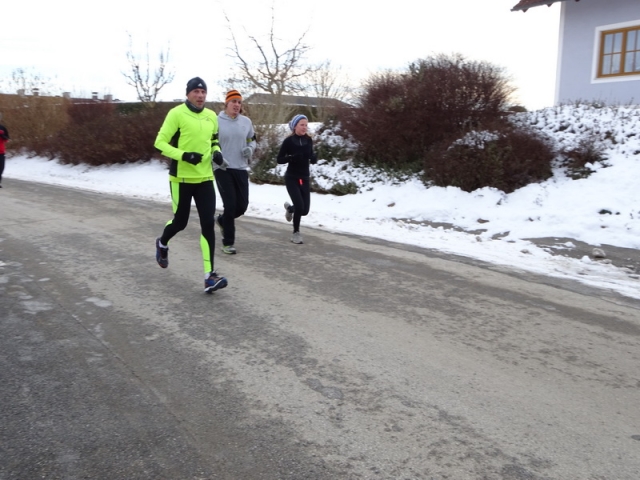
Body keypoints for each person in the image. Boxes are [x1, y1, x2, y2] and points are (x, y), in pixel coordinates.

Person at [153, 77, 230, 293]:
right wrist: (184, 155)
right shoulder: (176, 114)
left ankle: (209, 276)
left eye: (203, 92)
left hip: (205, 178)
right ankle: (162, 243)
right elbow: (160, 143)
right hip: (181, 179)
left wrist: (216, 152)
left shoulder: (211, 116)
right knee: (180, 222)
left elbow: (214, 141)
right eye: (196, 91)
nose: (200, 95)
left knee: (208, 224)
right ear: (188, 94)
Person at [215, 89, 257, 254]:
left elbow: (252, 140)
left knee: (242, 206)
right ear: (226, 103)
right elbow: (208, 143)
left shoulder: (246, 122)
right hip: (222, 168)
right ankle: (228, 243)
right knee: (230, 205)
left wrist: (250, 148)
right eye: (234, 101)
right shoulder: (216, 121)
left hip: (240, 168)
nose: (237, 105)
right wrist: (216, 158)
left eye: (239, 102)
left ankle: (222, 220)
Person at [277, 114, 317, 244]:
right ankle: (296, 233)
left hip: (304, 177)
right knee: (300, 206)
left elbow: (310, 155)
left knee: (304, 210)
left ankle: (290, 209)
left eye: (306, 125)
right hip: (292, 177)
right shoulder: (288, 141)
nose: (305, 127)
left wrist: (314, 158)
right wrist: (291, 158)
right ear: (295, 126)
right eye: (302, 125)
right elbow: (279, 159)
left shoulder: (308, 140)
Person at [0, 115, 9, 188]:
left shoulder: (2, 128)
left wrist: (3, 136)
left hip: (1, 152)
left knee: (1, 168)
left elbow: (7, 139)